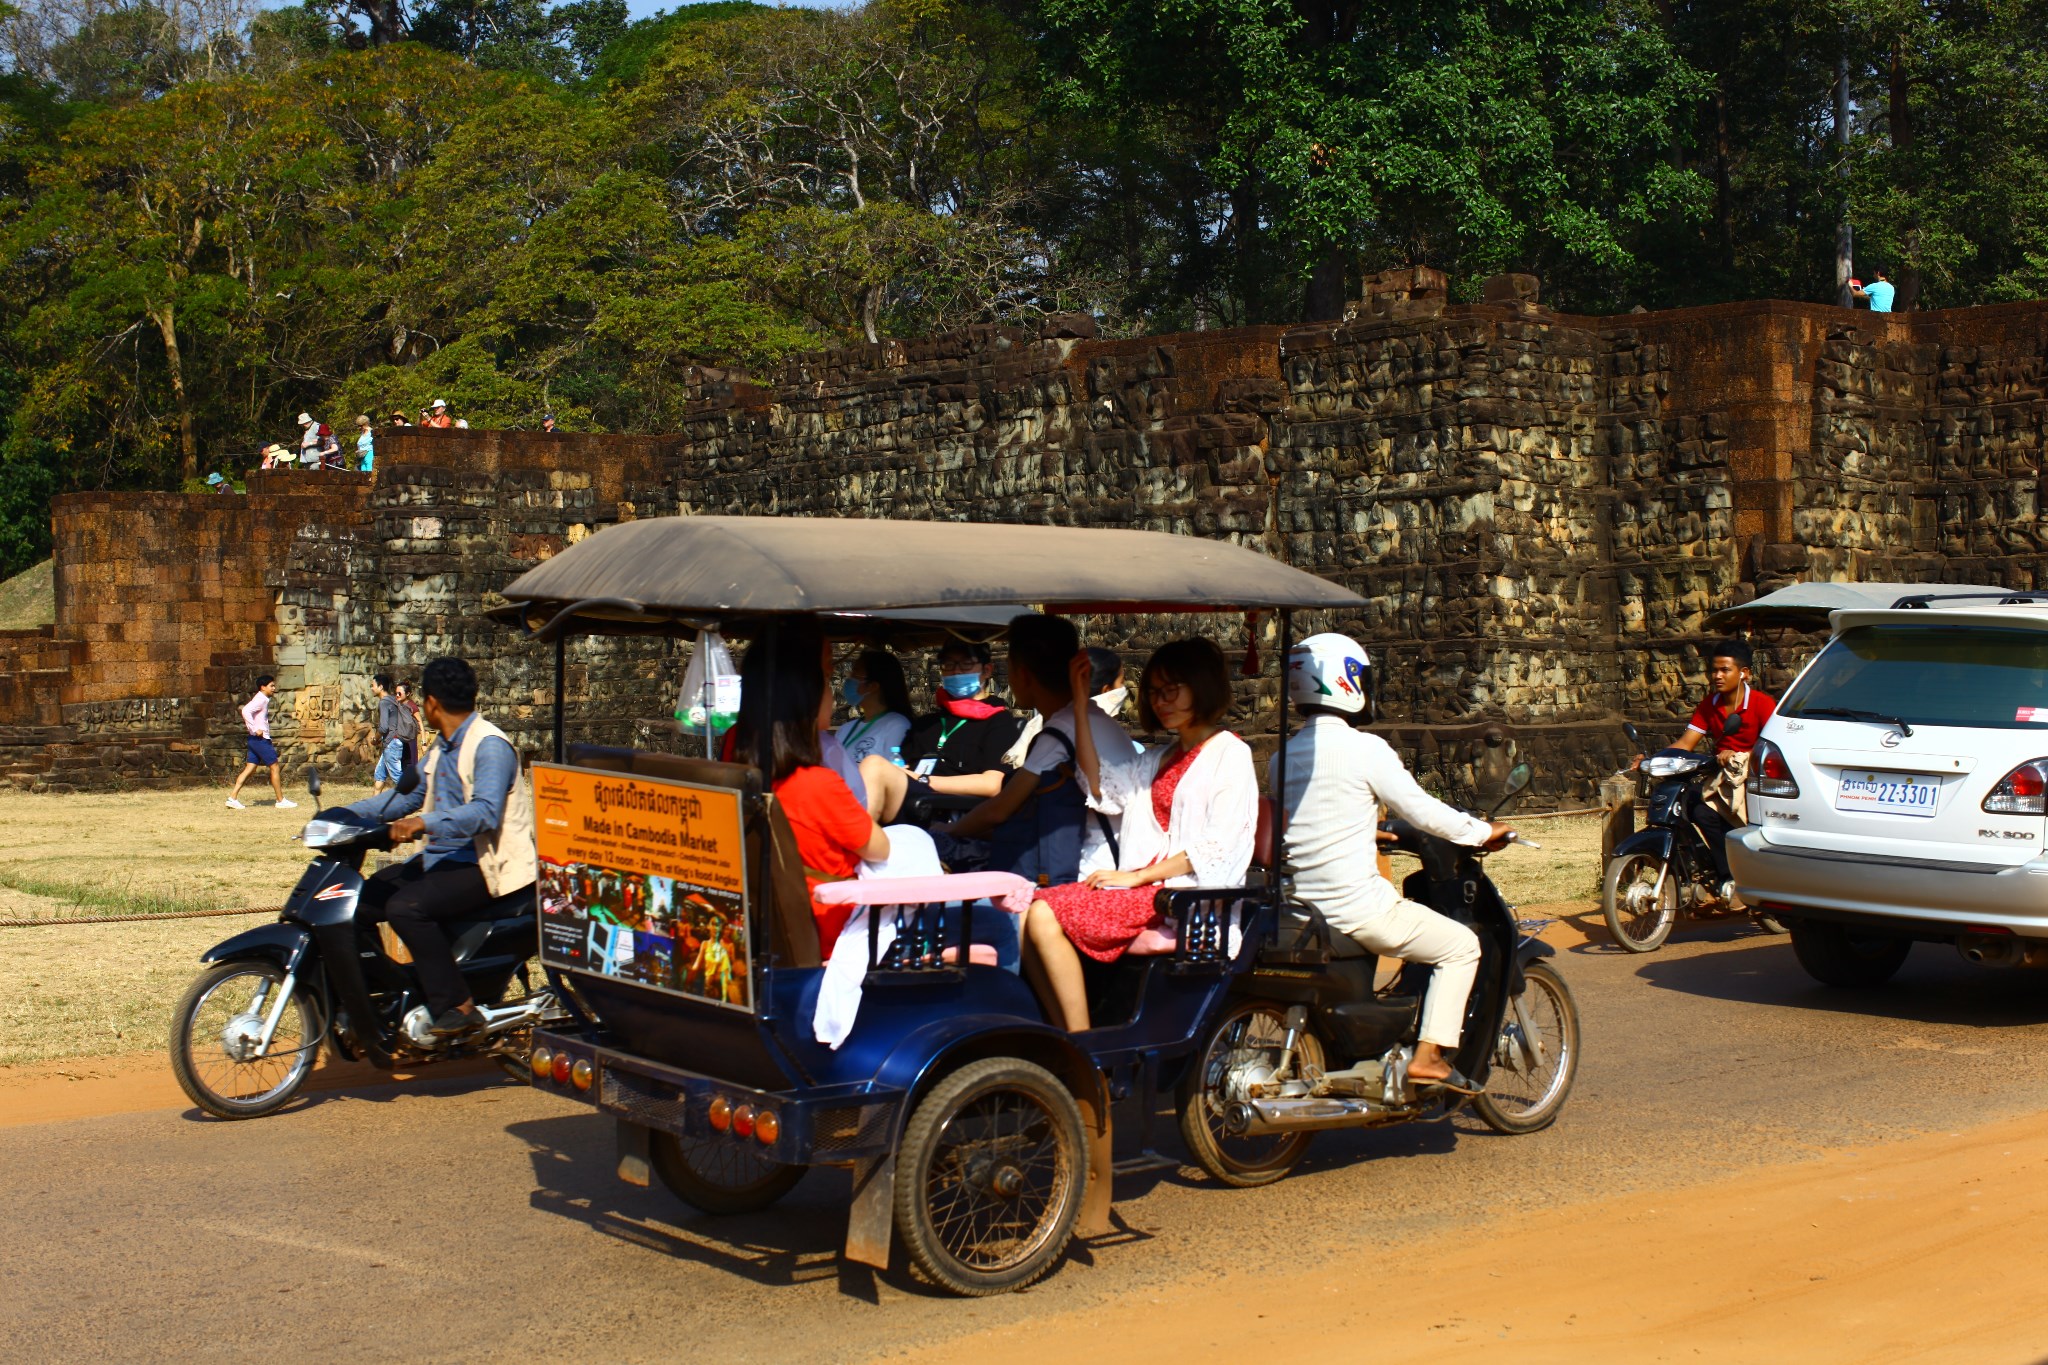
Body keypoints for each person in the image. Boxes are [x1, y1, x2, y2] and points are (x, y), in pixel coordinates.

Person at [1270, 633, 1512, 1089]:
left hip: (1302, 907)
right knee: (1461, 946)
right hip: (1356, 908)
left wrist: (1367, 828)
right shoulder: (1366, 750)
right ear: (1349, 683)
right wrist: (1480, 831)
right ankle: (1428, 1055)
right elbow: (1420, 809)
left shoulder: (1282, 756)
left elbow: (1309, 818)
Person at [1019, 637, 1257, 1031]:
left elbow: (1216, 846)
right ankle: (1062, 1033)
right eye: (1153, 693)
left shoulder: (1230, 753)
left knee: (1044, 915)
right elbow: (1103, 788)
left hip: (1181, 900)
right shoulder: (1158, 757)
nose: (1161, 701)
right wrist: (1080, 706)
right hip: (1142, 892)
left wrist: (1137, 877)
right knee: (1026, 909)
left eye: (1171, 691)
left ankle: (1081, 1045)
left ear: (1200, 687)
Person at [342, 656, 536, 1038]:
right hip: (443, 860)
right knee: (358, 902)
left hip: (486, 864)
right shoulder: (443, 747)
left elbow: (484, 812)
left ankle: (457, 1005)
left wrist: (423, 823)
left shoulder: (489, 746)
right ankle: (387, 997)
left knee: (406, 907)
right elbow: (404, 799)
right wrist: (342, 816)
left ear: (431, 704)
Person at [727, 621, 890, 956]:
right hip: (834, 929)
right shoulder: (817, 783)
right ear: (807, 700)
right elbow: (880, 847)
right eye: (827, 681)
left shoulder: (740, 771)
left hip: (770, 930)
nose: (832, 691)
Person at [947, 615, 1136, 881]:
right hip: (1108, 857)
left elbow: (1000, 808)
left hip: (1091, 870)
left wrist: (946, 830)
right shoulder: (1095, 719)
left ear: (1021, 674)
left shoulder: (1062, 731)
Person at [856, 639, 1026, 824]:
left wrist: (923, 780)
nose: (956, 671)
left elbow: (992, 783)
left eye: (966, 664)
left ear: (986, 671)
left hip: (950, 811)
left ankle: (859, 837)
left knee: (873, 765)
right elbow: (902, 763)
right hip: (908, 800)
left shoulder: (998, 721)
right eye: (948, 665)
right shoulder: (928, 723)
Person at [1655, 636, 1775, 893]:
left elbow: (1771, 748)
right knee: (1688, 803)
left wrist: (1738, 754)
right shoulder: (1709, 705)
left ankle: (1729, 876)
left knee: (1703, 812)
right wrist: (1653, 759)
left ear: (1744, 674)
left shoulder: (1762, 704)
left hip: (1752, 781)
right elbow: (1687, 743)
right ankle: (1704, 869)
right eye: (1714, 670)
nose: (1717, 676)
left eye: (1725, 670)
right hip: (1722, 780)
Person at [835, 648, 914, 768]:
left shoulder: (897, 725)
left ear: (873, 686)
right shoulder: (845, 729)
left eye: (855, 673)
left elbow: (894, 773)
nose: (849, 678)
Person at [226, 676, 294, 810]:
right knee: (274, 767)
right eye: (271, 686)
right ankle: (280, 801)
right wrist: (254, 729)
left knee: (250, 769)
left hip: (254, 740)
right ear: (263, 687)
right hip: (260, 740)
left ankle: (232, 798)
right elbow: (246, 711)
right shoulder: (261, 699)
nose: (274, 688)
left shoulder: (262, 698)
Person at [370, 672, 418, 794]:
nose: (371, 688)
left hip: (392, 743)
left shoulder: (384, 702)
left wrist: (375, 739)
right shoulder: (393, 699)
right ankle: (375, 805)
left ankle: (417, 796)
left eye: (373, 685)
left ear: (380, 687)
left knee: (398, 777)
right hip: (393, 742)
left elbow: (383, 727)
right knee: (379, 775)